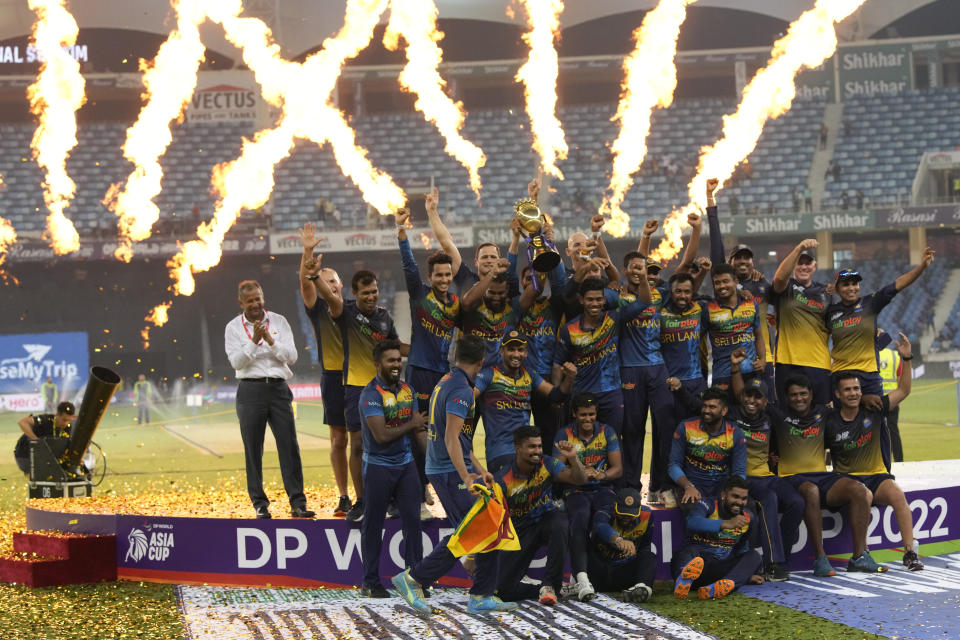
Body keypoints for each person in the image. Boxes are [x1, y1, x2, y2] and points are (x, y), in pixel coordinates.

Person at [392, 336, 517, 616]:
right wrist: (467, 476)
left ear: (455, 356)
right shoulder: (461, 389)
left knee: (481, 529)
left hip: (448, 468)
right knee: (473, 531)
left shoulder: (447, 380)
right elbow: (451, 439)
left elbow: (459, 439)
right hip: (448, 471)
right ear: (482, 362)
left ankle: (481, 594)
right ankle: (415, 579)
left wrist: (480, 470)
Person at [314, 261, 403, 523]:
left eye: (374, 291)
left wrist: (426, 351)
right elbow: (330, 296)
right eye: (366, 293)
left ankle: (390, 498)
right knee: (357, 446)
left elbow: (396, 348)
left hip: (384, 390)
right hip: (354, 388)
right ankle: (362, 500)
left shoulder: (385, 317)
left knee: (389, 443)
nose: (371, 296)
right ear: (355, 294)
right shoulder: (346, 312)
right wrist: (312, 275)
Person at [771, 374, 880, 576]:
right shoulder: (777, 413)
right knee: (811, 491)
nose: (799, 398)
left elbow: (849, 403)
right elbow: (749, 402)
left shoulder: (824, 412)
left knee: (858, 490)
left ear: (811, 395)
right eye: (793, 395)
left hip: (822, 475)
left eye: (803, 393)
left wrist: (863, 398)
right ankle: (820, 559)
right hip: (791, 476)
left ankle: (859, 557)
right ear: (786, 398)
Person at [224, 280, 314, 520]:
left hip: (279, 389)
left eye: (258, 299)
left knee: (289, 446)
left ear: (263, 298)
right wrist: (254, 340)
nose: (255, 304)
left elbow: (292, 357)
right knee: (253, 450)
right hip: (250, 391)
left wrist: (271, 341)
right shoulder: (233, 328)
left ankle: (298, 502)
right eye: (250, 300)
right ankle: (260, 504)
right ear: (241, 302)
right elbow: (237, 363)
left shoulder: (279, 321)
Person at [828, 346, 923, 571]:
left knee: (898, 495)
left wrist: (907, 358)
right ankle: (863, 552)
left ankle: (910, 553)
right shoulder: (829, 420)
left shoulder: (874, 408)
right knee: (864, 494)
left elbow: (904, 390)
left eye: (856, 389)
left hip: (876, 476)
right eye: (848, 390)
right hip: (847, 479)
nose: (853, 393)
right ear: (838, 394)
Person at [358, 340, 429, 597]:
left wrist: (430, 462)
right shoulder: (370, 395)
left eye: (399, 360)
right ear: (378, 364)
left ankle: (415, 581)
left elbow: (419, 430)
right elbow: (381, 436)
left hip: (406, 465)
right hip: (378, 467)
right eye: (391, 360)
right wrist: (412, 424)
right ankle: (370, 582)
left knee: (413, 522)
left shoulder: (408, 390)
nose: (397, 364)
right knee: (374, 525)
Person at [729, 352, 804, 582]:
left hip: (767, 475)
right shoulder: (731, 415)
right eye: (748, 395)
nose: (752, 400)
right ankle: (773, 563)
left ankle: (782, 556)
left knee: (797, 502)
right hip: (745, 479)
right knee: (769, 499)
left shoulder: (769, 416)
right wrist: (735, 370)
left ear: (765, 401)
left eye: (758, 397)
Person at [552, 276, 656, 436]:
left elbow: (644, 301)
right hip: (581, 395)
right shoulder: (569, 329)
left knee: (613, 443)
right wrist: (557, 395)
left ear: (604, 299)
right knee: (582, 445)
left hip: (611, 394)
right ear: (582, 301)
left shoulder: (614, 318)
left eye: (598, 299)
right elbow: (558, 363)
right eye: (590, 299)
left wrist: (643, 277)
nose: (595, 304)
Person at [495, 424, 587, 605]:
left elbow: (579, 479)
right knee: (501, 590)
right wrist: (476, 556)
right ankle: (549, 589)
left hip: (546, 521)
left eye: (539, 446)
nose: (537, 451)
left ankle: (550, 586)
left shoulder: (548, 463)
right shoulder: (503, 479)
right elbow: (492, 518)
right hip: (519, 531)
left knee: (560, 522)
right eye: (531, 447)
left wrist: (574, 459)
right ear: (517, 448)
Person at [827, 247, 934, 394]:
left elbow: (898, 284)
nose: (851, 288)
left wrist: (921, 267)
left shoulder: (870, 303)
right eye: (846, 284)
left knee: (874, 416)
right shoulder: (830, 312)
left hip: (869, 376)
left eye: (855, 284)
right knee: (843, 417)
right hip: (840, 376)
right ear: (837, 289)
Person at [299, 223, 352, 517]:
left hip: (360, 379)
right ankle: (344, 496)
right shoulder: (318, 310)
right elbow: (306, 286)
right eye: (325, 281)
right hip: (333, 379)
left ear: (341, 285)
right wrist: (307, 253)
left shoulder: (356, 310)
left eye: (334, 282)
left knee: (364, 440)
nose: (330, 285)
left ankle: (368, 494)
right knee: (339, 439)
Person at [553, 392, 623, 602]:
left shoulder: (606, 431)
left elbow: (617, 469)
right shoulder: (563, 434)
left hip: (602, 488)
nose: (588, 419)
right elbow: (557, 472)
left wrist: (601, 474)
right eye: (583, 414)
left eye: (591, 414)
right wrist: (580, 474)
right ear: (574, 413)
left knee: (602, 519)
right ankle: (582, 579)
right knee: (580, 518)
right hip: (575, 489)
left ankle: (593, 576)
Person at [475, 330, 575, 474]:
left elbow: (557, 396)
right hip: (500, 452)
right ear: (501, 351)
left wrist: (570, 378)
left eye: (520, 350)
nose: (516, 354)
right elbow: (467, 398)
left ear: (526, 353)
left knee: (560, 474)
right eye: (511, 349)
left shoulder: (530, 374)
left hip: (528, 450)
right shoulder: (488, 375)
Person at [671, 475, 764, 600]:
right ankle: (682, 581)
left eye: (744, 498)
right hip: (694, 564)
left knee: (754, 556)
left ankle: (718, 588)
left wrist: (746, 573)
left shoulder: (748, 518)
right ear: (724, 495)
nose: (740, 502)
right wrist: (726, 524)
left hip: (717, 570)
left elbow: (742, 547)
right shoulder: (707, 504)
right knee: (688, 551)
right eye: (735, 496)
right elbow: (692, 522)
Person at [770, 239, 832, 406]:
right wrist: (799, 248)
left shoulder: (826, 292)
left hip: (819, 363)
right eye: (799, 263)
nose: (804, 266)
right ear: (794, 266)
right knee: (787, 414)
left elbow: (835, 323)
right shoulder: (786, 288)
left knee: (821, 415)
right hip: (788, 362)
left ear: (815, 266)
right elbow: (779, 279)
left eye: (808, 263)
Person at [668, 387, 746, 508]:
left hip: (722, 487)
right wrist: (688, 486)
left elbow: (739, 472)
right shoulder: (685, 427)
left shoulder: (736, 433)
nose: (706, 410)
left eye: (712, 407)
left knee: (747, 511)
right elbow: (673, 465)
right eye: (704, 406)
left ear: (724, 411)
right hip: (693, 485)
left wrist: (731, 492)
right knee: (694, 513)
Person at [701, 264, 765, 392]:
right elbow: (695, 339)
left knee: (750, 410)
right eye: (717, 283)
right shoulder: (708, 309)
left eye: (725, 281)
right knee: (723, 412)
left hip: (750, 371)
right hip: (722, 375)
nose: (721, 286)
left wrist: (762, 360)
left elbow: (758, 335)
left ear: (736, 282)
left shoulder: (751, 304)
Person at [586, 487, 656, 603]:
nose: (626, 518)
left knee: (649, 556)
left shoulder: (647, 516)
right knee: (584, 549)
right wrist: (618, 540)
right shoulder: (604, 512)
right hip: (599, 571)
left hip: (623, 573)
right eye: (622, 513)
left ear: (638, 510)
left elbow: (645, 546)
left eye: (630, 515)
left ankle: (641, 588)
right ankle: (581, 583)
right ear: (615, 506)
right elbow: (601, 526)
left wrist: (636, 553)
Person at [660, 272, 707, 422]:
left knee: (697, 433)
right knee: (667, 436)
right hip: (668, 383)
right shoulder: (660, 314)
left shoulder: (700, 310)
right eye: (678, 291)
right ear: (670, 292)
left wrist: (741, 291)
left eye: (687, 292)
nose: (683, 296)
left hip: (695, 382)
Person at [14, 401, 77, 475]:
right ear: (57, 415)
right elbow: (22, 422)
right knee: (43, 479)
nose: (66, 423)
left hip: (42, 458)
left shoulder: (67, 428)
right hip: (24, 455)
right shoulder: (46, 420)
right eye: (64, 420)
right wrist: (36, 440)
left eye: (69, 420)